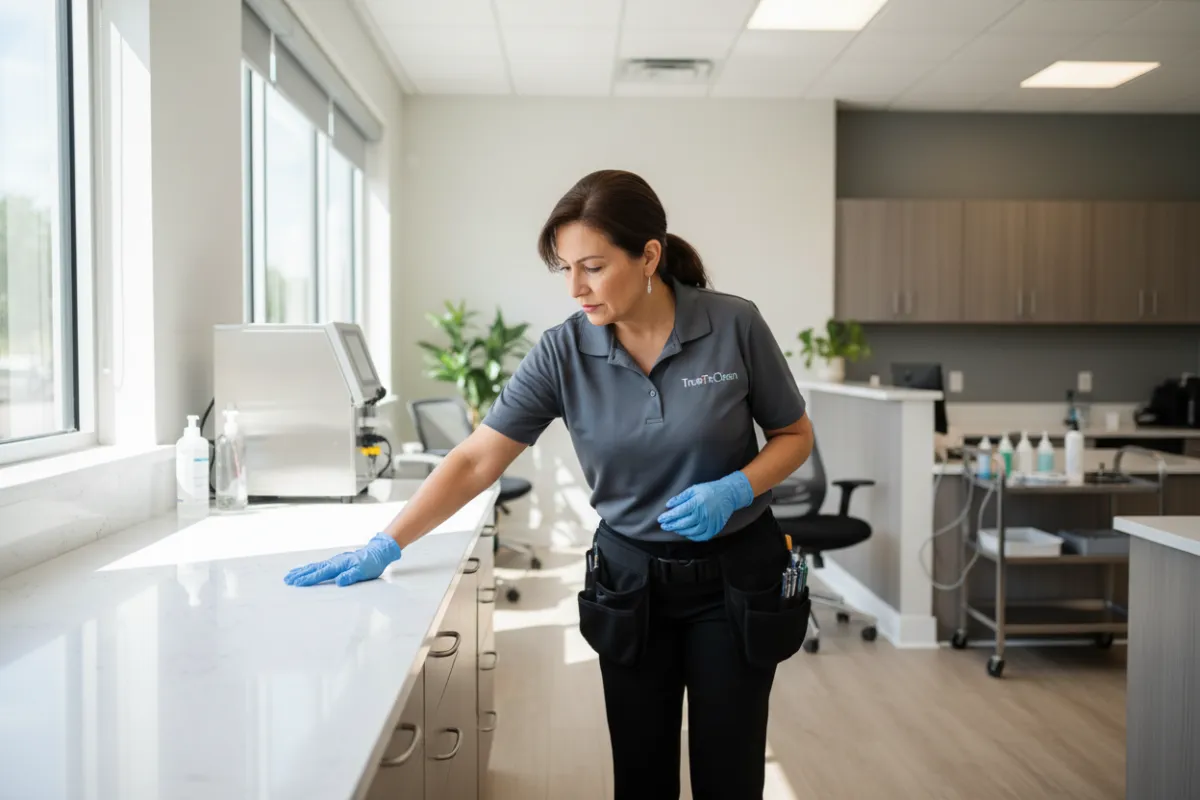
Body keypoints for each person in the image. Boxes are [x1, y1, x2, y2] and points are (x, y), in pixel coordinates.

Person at [284, 169, 815, 800]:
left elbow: (794, 436)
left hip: (735, 577)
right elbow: (479, 459)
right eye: (564, 269)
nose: (576, 288)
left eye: (591, 266)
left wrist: (735, 487)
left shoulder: (733, 325)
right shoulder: (564, 352)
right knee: (641, 776)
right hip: (633, 581)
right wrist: (386, 543)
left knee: (730, 776)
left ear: (649, 255)